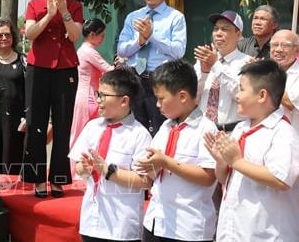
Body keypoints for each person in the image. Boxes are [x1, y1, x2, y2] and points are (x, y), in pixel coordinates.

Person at [204, 60, 299, 242]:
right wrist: (221, 162)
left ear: (262, 95)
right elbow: (226, 178)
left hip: (264, 234)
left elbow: (280, 179)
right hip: (235, 230)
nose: (237, 96)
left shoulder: (283, 134)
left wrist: (236, 162)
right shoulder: (242, 128)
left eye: (242, 89)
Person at [22, 0, 83, 197]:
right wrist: (49, 15)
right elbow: (30, 33)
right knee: (35, 123)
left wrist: (65, 11)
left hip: (66, 68)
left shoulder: (76, 5)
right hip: (38, 67)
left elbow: (75, 35)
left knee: (62, 123)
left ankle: (58, 179)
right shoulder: (34, 4)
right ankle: (37, 179)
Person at [137, 60, 218, 242]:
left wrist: (166, 162)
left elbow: (207, 176)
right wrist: (149, 166)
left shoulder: (206, 129)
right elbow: (154, 168)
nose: (157, 105)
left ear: (182, 96)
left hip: (187, 227)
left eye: (161, 98)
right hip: (156, 221)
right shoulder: (166, 127)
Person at [68, 68, 152, 242]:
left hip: (120, 227)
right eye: (98, 94)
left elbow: (144, 181)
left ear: (124, 101)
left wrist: (108, 171)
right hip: (91, 222)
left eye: (104, 96)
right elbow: (78, 169)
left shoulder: (139, 135)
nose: (98, 100)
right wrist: (85, 167)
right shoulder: (92, 127)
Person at [117, 0, 187, 136]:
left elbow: (178, 51)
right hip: (135, 79)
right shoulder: (133, 17)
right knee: (134, 129)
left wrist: (152, 36)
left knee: (160, 129)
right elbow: (121, 49)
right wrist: (140, 41)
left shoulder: (175, 17)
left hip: (161, 81)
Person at [193, 10, 251, 131]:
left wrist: (215, 65)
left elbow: (241, 96)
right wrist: (204, 73)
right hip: (202, 130)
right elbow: (192, 97)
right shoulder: (204, 60)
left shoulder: (247, 63)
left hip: (231, 132)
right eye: (216, 29)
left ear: (238, 35)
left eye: (225, 29)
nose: (218, 33)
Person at [70, 18, 114, 148]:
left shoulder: (84, 50)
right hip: (89, 98)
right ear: (92, 35)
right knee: (86, 133)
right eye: (102, 35)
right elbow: (108, 69)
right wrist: (122, 64)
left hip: (86, 95)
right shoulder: (89, 51)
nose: (103, 39)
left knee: (81, 132)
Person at [0, 19, 26, 175]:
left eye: (7, 34)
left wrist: (27, 117)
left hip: (17, 120)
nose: (4, 38)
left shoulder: (23, 61)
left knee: (13, 157)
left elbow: (30, 91)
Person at [270, 30, 299, 141]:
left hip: (293, 137)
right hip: (268, 135)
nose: (278, 49)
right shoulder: (268, 71)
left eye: (285, 45)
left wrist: (265, 80)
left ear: (297, 50)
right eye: (275, 45)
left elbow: (291, 103)